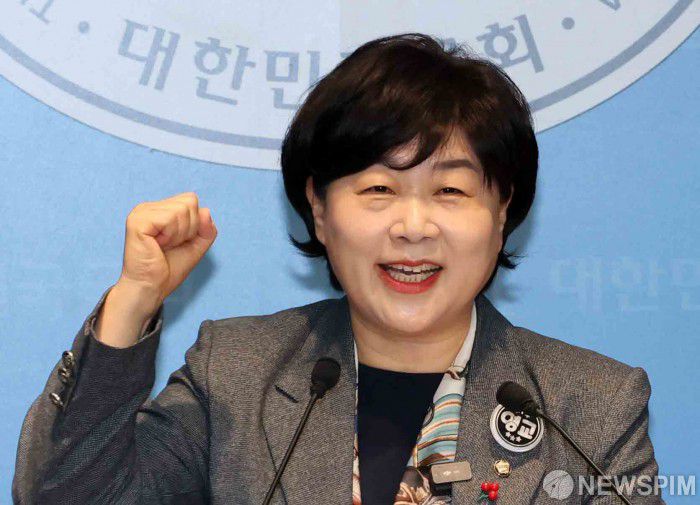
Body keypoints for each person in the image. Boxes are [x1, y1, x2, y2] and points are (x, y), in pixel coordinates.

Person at [12, 33, 662, 504]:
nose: (413, 225)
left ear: (502, 212)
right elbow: (62, 495)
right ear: (320, 211)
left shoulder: (591, 408)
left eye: (451, 190)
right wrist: (134, 299)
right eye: (378, 189)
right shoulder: (236, 374)